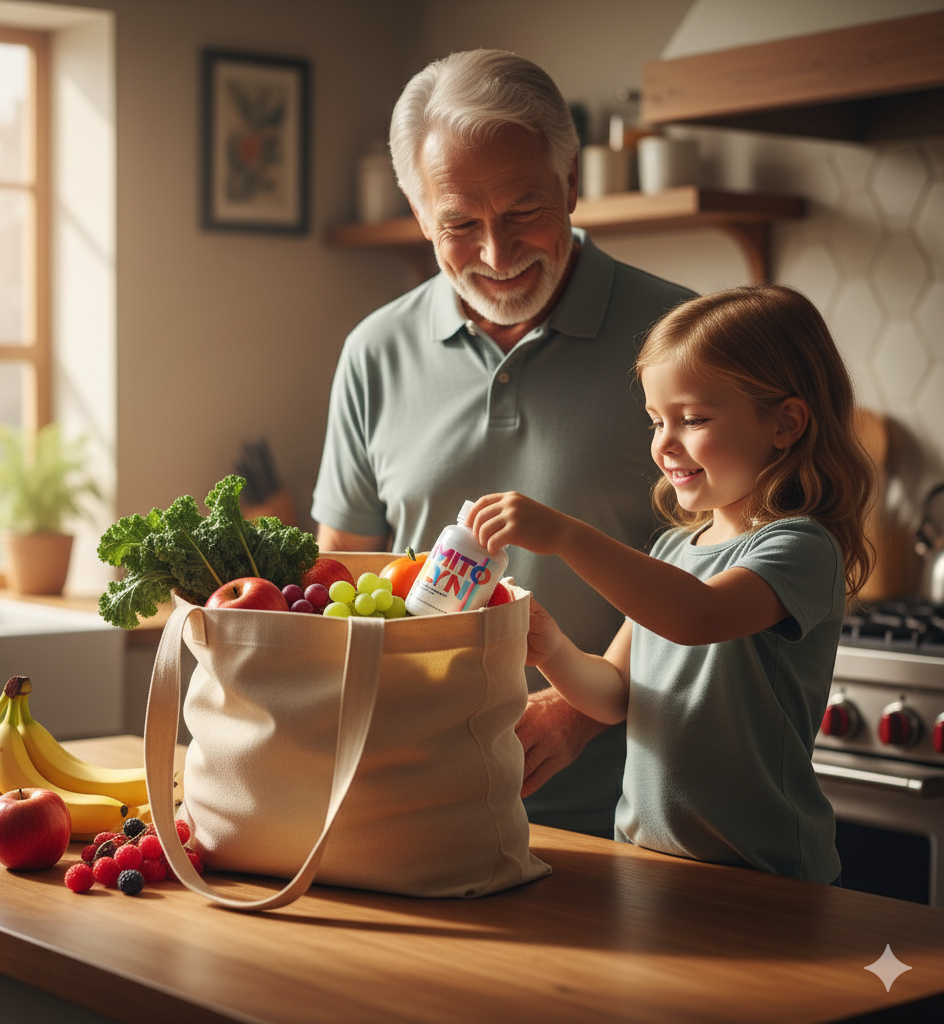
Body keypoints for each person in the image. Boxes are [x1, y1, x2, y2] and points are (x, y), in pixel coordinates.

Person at [311, 49, 695, 837]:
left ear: (572, 185)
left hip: (626, 819)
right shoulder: (372, 352)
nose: (496, 253)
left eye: (524, 211)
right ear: (420, 216)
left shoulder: (682, 341)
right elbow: (342, 581)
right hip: (409, 806)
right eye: (458, 224)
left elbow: (710, 563)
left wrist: (580, 713)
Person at [466, 284, 877, 882]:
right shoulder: (672, 550)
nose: (664, 443)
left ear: (786, 423)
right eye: (657, 420)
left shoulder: (799, 548)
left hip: (764, 872)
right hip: (647, 858)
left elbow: (699, 619)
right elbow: (613, 693)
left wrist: (566, 535)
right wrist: (551, 648)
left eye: (694, 419)